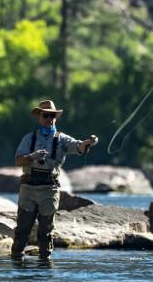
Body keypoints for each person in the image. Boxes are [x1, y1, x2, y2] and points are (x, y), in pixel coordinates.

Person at [12, 99, 99, 261]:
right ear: (39, 117)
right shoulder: (29, 139)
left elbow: (78, 146)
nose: (49, 119)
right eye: (46, 116)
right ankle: (17, 259)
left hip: (49, 189)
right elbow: (17, 161)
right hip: (28, 188)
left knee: (46, 231)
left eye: (52, 116)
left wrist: (88, 143)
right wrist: (32, 157)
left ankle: (45, 263)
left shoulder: (61, 139)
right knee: (22, 229)